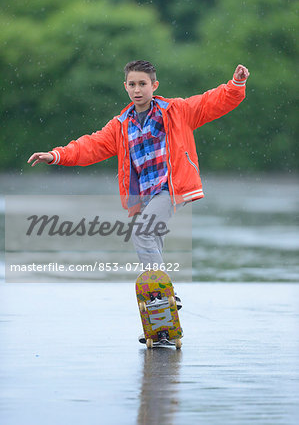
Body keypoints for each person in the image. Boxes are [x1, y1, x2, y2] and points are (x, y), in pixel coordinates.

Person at [28, 60, 249, 341]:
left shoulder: (176, 111)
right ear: (125, 87)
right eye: (132, 84)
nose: (137, 89)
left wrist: (236, 85)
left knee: (143, 234)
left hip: (171, 187)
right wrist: (57, 154)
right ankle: (162, 325)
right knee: (151, 242)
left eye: (142, 84)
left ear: (154, 86)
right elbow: (91, 146)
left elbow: (211, 103)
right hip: (143, 196)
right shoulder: (121, 125)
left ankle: (161, 294)